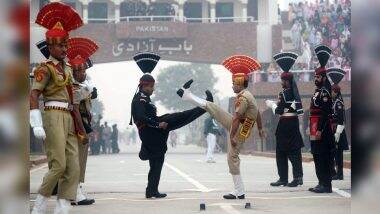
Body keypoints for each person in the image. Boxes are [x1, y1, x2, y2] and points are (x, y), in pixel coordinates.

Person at [177, 55, 265, 200]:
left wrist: (231, 136)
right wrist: (260, 128)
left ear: (239, 83)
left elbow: (237, 118)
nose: (232, 86)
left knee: (232, 157)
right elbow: (257, 113)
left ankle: (239, 191)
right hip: (243, 125)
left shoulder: (242, 98)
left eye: (233, 83)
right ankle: (187, 95)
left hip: (242, 128)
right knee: (214, 108)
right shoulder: (248, 95)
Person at [130, 52, 213, 199]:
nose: (154, 89)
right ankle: (204, 106)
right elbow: (141, 117)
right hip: (151, 132)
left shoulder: (144, 98)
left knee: (157, 160)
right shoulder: (140, 99)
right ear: (147, 86)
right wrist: (157, 124)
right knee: (176, 119)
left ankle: (151, 190)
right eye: (152, 86)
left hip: (151, 132)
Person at [30, 2, 84, 213]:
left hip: (68, 116)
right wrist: (35, 122)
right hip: (52, 115)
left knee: (74, 167)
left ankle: (62, 207)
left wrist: (79, 124)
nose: (65, 49)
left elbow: (73, 97)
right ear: (51, 46)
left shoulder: (68, 68)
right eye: (61, 46)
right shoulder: (45, 68)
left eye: (66, 45)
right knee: (58, 165)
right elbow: (34, 93)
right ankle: (40, 204)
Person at [67, 37, 99, 206]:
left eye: (84, 71)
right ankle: (76, 194)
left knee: (79, 160)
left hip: (82, 123)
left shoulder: (82, 84)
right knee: (78, 160)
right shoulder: (74, 87)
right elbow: (75, 109)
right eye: (80, 71)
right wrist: (82, 131)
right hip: (78, 125)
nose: (83, 73)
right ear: (74, 72)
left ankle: (77, 190)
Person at [266, 52, 304, 187]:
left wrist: (272, 105)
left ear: (286, 81)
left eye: (282, 80)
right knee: (295, 152)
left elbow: (279, 111)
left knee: (281, 152)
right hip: (293, 123)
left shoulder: (283, 94)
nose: (281, 82)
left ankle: (283, 178)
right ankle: (298, 177)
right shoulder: (294, 93)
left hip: (285, 124)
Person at [308, 45, 335, 193]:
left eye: (318, 77)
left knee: (323, 157)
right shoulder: (318, 91)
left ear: (323, 78)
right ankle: (321, 182)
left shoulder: (324, 92)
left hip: (322, 131)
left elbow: (325, 113)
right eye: (315, 77)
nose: (315, 79)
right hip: (315, 130)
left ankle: (326, 184)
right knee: (317, 156)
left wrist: (319, 130)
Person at [326, 68, 349, 180]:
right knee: (335, 153)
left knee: (338, 154)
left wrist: (338, 133)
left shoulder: (338, 103)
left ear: (335, 92)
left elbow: (340, 119)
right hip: (334, 129)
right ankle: (336, 173)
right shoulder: (334, 101)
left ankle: (340, 174)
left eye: (332, 91)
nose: (330, 93)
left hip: (338, 130)